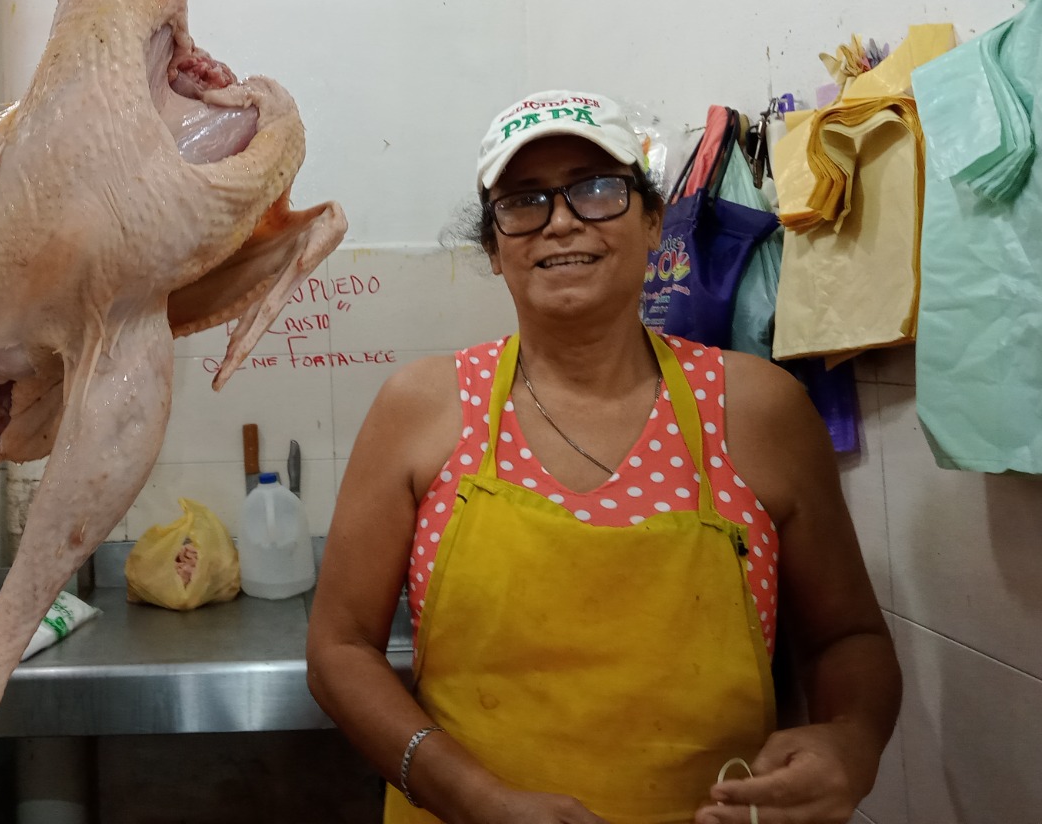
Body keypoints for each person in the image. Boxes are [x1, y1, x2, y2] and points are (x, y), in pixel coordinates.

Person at [306, 90, 900, 824]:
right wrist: (471, 795)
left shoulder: (759, 410)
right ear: (495, 250)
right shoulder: (422, 408)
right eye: (523, 201)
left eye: (595, 189)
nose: (560, 220)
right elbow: (338, 650)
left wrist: (853, 742)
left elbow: (849, 638)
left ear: (653, 221)